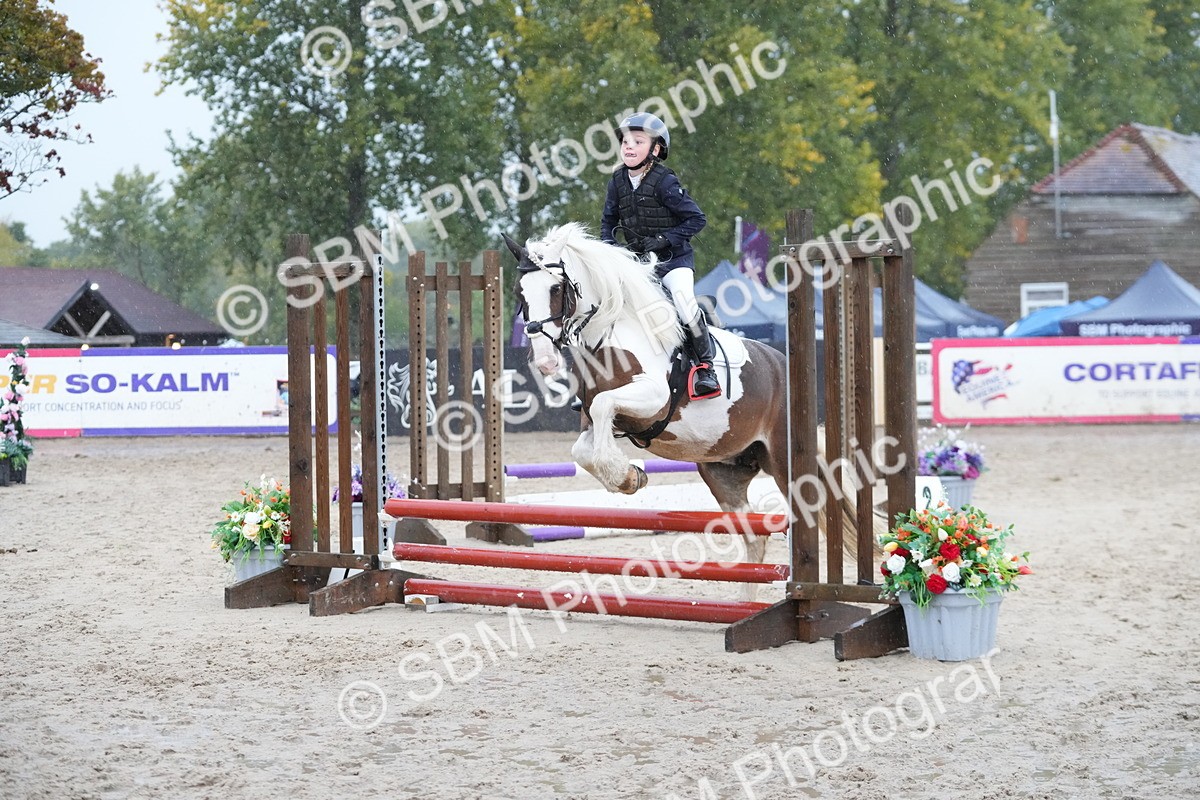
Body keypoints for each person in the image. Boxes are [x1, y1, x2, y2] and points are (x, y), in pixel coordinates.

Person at [601, 112, 719, 399]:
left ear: (655, 150)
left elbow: (696, 220)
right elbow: (607, 221)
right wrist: (610, 249)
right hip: (638, 264)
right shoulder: (617, 182)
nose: (628, 146)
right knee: (608, 308)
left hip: (673, 261)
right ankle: (597, 381)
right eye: (625, 141)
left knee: (683, 302)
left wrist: (663, 240)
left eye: (638, 141)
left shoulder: (665, 182)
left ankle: (706, 369)